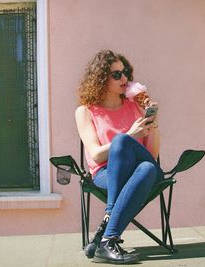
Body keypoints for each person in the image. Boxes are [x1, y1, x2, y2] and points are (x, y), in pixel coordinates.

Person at [75, 50, 163, 264]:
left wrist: (154, 121)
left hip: (137, 165)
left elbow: (151, 154)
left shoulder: (135, 107)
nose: (124, 79)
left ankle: (107, 227)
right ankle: (109, 238)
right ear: (101, 78)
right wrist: (130, 135)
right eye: (116, 75)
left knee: (143, 162)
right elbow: (95, 155)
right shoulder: (85, 112)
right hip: (105, 173)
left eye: (125, 73)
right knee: (134, 153)